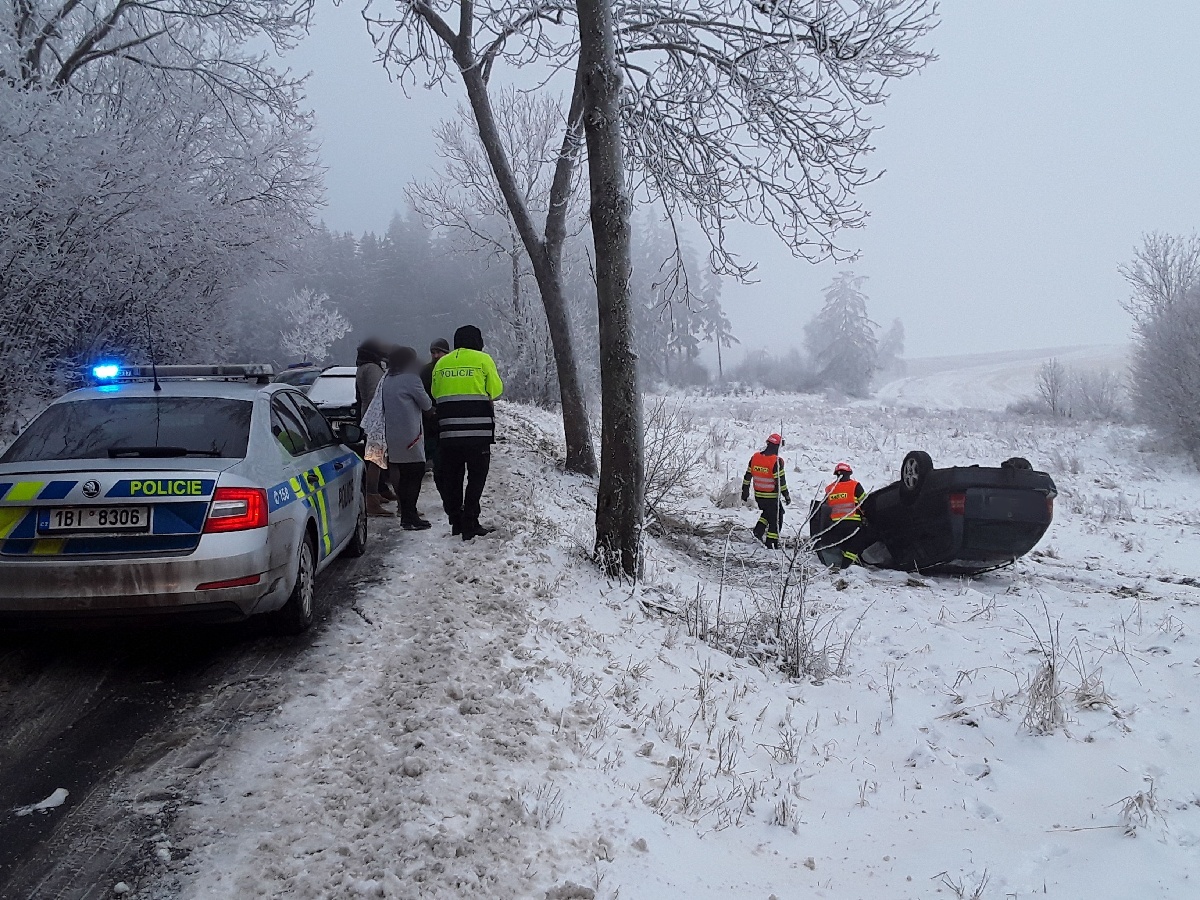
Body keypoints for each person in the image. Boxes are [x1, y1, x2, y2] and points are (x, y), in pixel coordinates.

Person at [430, 325, 503, 540]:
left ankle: (456, 521)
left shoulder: (442, 362)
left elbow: (435, 393)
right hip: (478, 434)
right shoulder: (483, 360)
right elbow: (496, 390)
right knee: (476, 477)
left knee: (453, 478)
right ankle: (471, 521)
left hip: (448, 433)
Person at [380, 346, 434, 530]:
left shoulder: (387, 379)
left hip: (392, 435)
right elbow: (426, 404)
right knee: (415, 474)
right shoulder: (411, 379)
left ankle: (406, 515)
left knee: (402, 474)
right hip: (411, 436)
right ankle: (410, 515)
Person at [355, 339, 392, 515]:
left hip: (368, 419)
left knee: (375, 458)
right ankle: (372, 500)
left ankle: (378, 492)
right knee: (376, 460)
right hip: (377, 421)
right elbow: (377, 396)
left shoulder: (362, 368)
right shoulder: (372, 369)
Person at [741, 433, 790, 549]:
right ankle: (771, 542)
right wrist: (786, 496)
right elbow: (781, 482)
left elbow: (747, 476)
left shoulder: (755, 458)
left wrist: (745, 492)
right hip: (771, 496)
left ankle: (758, 532)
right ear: (777, 446)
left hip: (759, 496)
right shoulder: (776, 461)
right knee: (777, 517)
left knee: (768, 514)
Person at [821, 461, 868, 569]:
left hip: (835, 525)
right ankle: (846, 565)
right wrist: (866, 516)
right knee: (856, 544)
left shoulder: (830, 489)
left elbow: (824, 507)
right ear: (849, 473)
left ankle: (847, 562)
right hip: (853, 522)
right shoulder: (855, 486)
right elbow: (865, 503)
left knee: (844, 544)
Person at [420, 338, 450, 475]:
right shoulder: (425, 371)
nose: (436, 355)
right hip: (429, 414)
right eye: (433, 352)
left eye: (439, 352)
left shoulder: (450, 370)